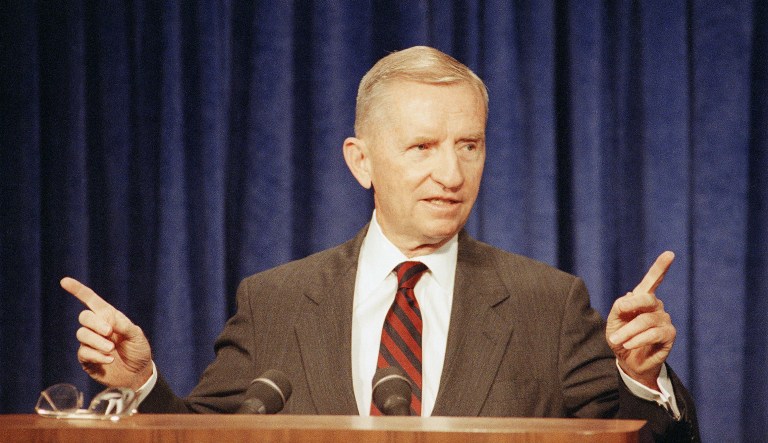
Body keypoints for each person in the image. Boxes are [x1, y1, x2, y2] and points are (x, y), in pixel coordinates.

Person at [62, 46, 699, 441]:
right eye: (422, 147)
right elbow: (209, 437)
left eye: (468, 146)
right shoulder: (277, 300)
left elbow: (641, 440)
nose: (451, 175)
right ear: (361, 161)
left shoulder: (550, 304)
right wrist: (142, 382)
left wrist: (639, 379)